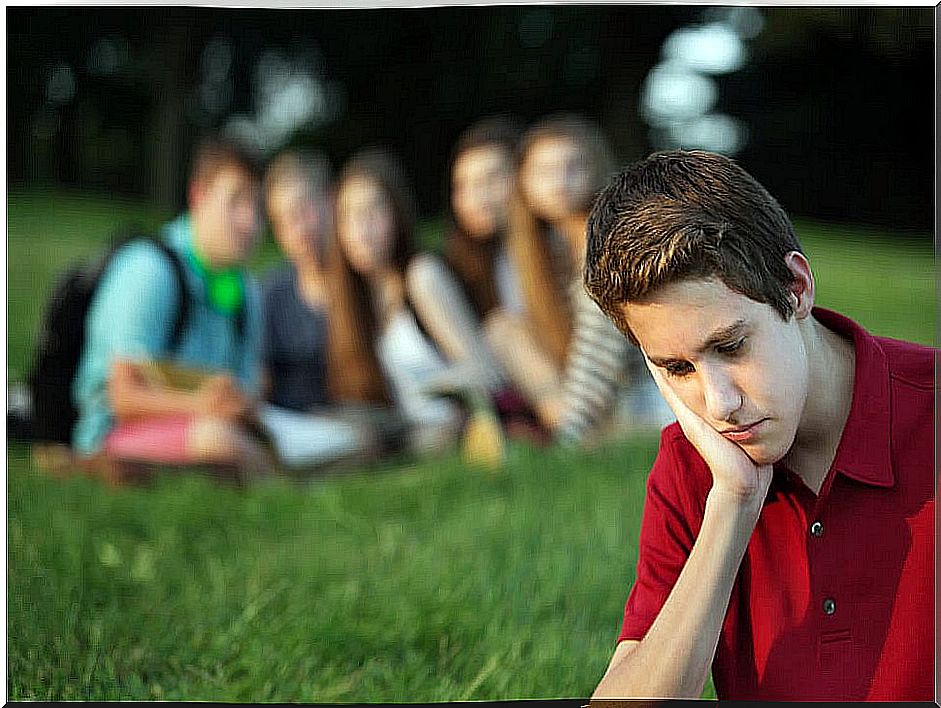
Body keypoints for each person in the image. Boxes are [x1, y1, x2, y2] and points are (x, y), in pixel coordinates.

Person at [584, 150, 933, 700]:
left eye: (731, 345)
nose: (718, 403)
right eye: (678, 368)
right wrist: (733, 504)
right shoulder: (692, 461)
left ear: (796, 287)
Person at [71, 134, 270, 483]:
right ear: (198, 196)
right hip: (113, 437)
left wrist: (244, 404)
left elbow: (245, 388)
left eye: (257, 206)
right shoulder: (150, 270)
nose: (249, 221)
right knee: (220, 440)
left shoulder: (245, 290)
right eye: (236, 201)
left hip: (205, 429)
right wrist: (202, 406)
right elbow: (123, 399)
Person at [487, 113, 667, 447]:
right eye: (545, 171)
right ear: (523, 181)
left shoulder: (607, 237)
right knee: (501, 328)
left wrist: (571, 436)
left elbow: (598, 350)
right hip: (595, 400)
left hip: (646, 391)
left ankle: (571, 433)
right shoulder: (544, 250)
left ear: (597, 169)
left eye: (574, 166)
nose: (560, 181)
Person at [258, 148, 402, 470]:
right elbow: (261, 384)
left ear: (330, 200)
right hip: (296, 422)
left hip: (362, 413)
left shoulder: (361, 276)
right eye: (283, 221)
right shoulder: (271, 293)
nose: (298, 228)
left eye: (304, 209)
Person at [405, 116, 543, 441]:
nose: (478, 196)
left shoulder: (551, 247)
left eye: (492, 178)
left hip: (561, 381)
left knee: (503, 331)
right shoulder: (464, 267)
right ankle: (498, 406)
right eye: (464, 185)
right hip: (502, 381)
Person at [330, 147, 462, 455]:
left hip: (446, 426)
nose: (362, 230)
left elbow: (481, 371)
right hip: (400, 429)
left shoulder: (422, 276)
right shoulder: (355, 300)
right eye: (348, 216)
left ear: (397, 213)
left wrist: (445, 392)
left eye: (374, 210)